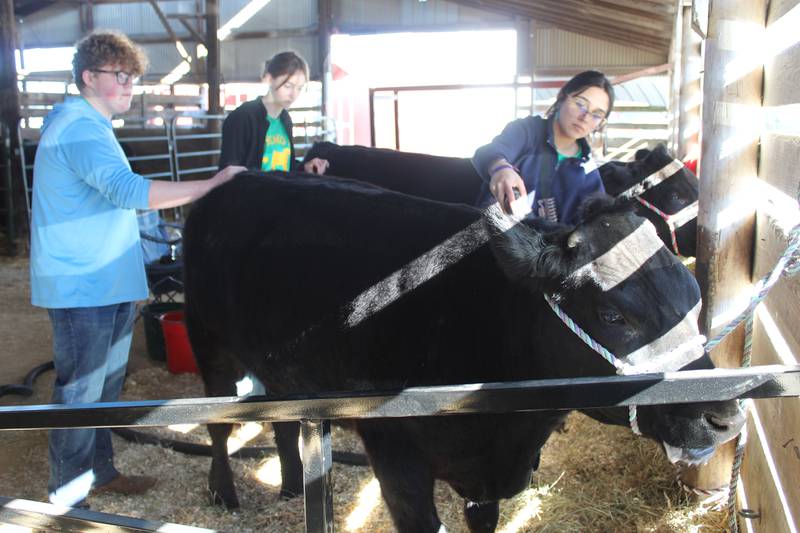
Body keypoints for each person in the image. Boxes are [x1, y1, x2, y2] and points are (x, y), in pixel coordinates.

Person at [29, 30, 244, 508]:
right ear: (89, 77)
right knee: (81, 392)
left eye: (132, 77)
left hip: (105, 278)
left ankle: (100, 473)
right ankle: (67, 497)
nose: (128, 86)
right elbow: (127, 191)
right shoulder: (81, 128)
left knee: (104, 388)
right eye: (119, 76)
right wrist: (212, 184)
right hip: (82, 283)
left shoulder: (92, 125)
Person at [472, 70, 614, 224]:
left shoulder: (588, 170)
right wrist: (500, 168)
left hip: (547, 245)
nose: (585, 117)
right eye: (580, 104)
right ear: (562, 97)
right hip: (494, 234)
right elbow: (489, 151)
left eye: (597, 114)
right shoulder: (528, 130)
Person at [218, 51, 328, 174]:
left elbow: (287, 165)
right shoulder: (242, 118)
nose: (294, 94)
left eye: (299, 88)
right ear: (269, 79)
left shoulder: (285, 119)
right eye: (288, 86)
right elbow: (228, 171)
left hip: (281, 190)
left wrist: (305, 168)